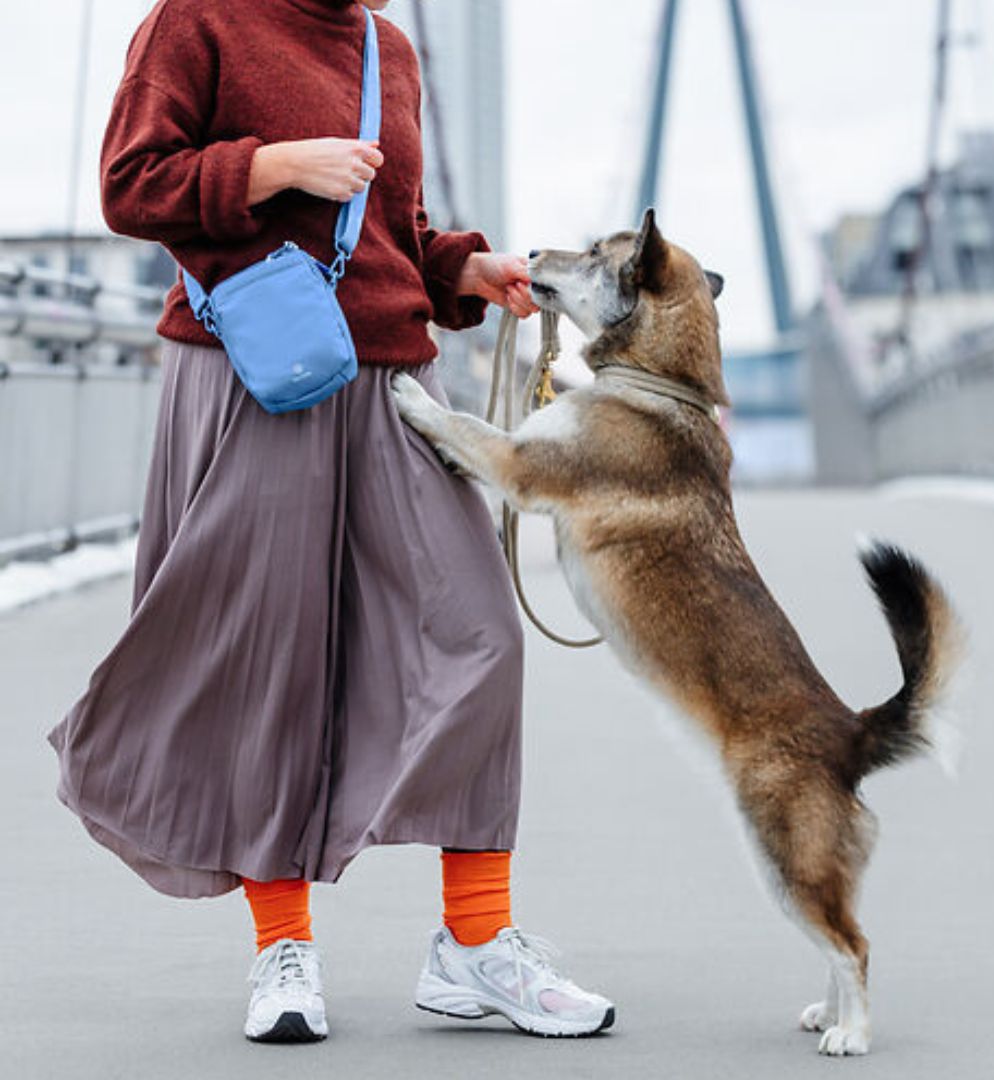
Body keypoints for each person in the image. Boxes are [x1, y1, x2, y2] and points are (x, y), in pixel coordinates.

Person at [48, 0, 614, 1044]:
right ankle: (281, 952)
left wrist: (461, 272)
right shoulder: (199, 21)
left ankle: (475, 947)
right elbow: (131, 187)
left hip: (393, 381)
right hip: (255, 372)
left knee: (481, 632)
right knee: (272, 658)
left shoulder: (382, 48)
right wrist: (271, 167)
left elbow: (389, 230)